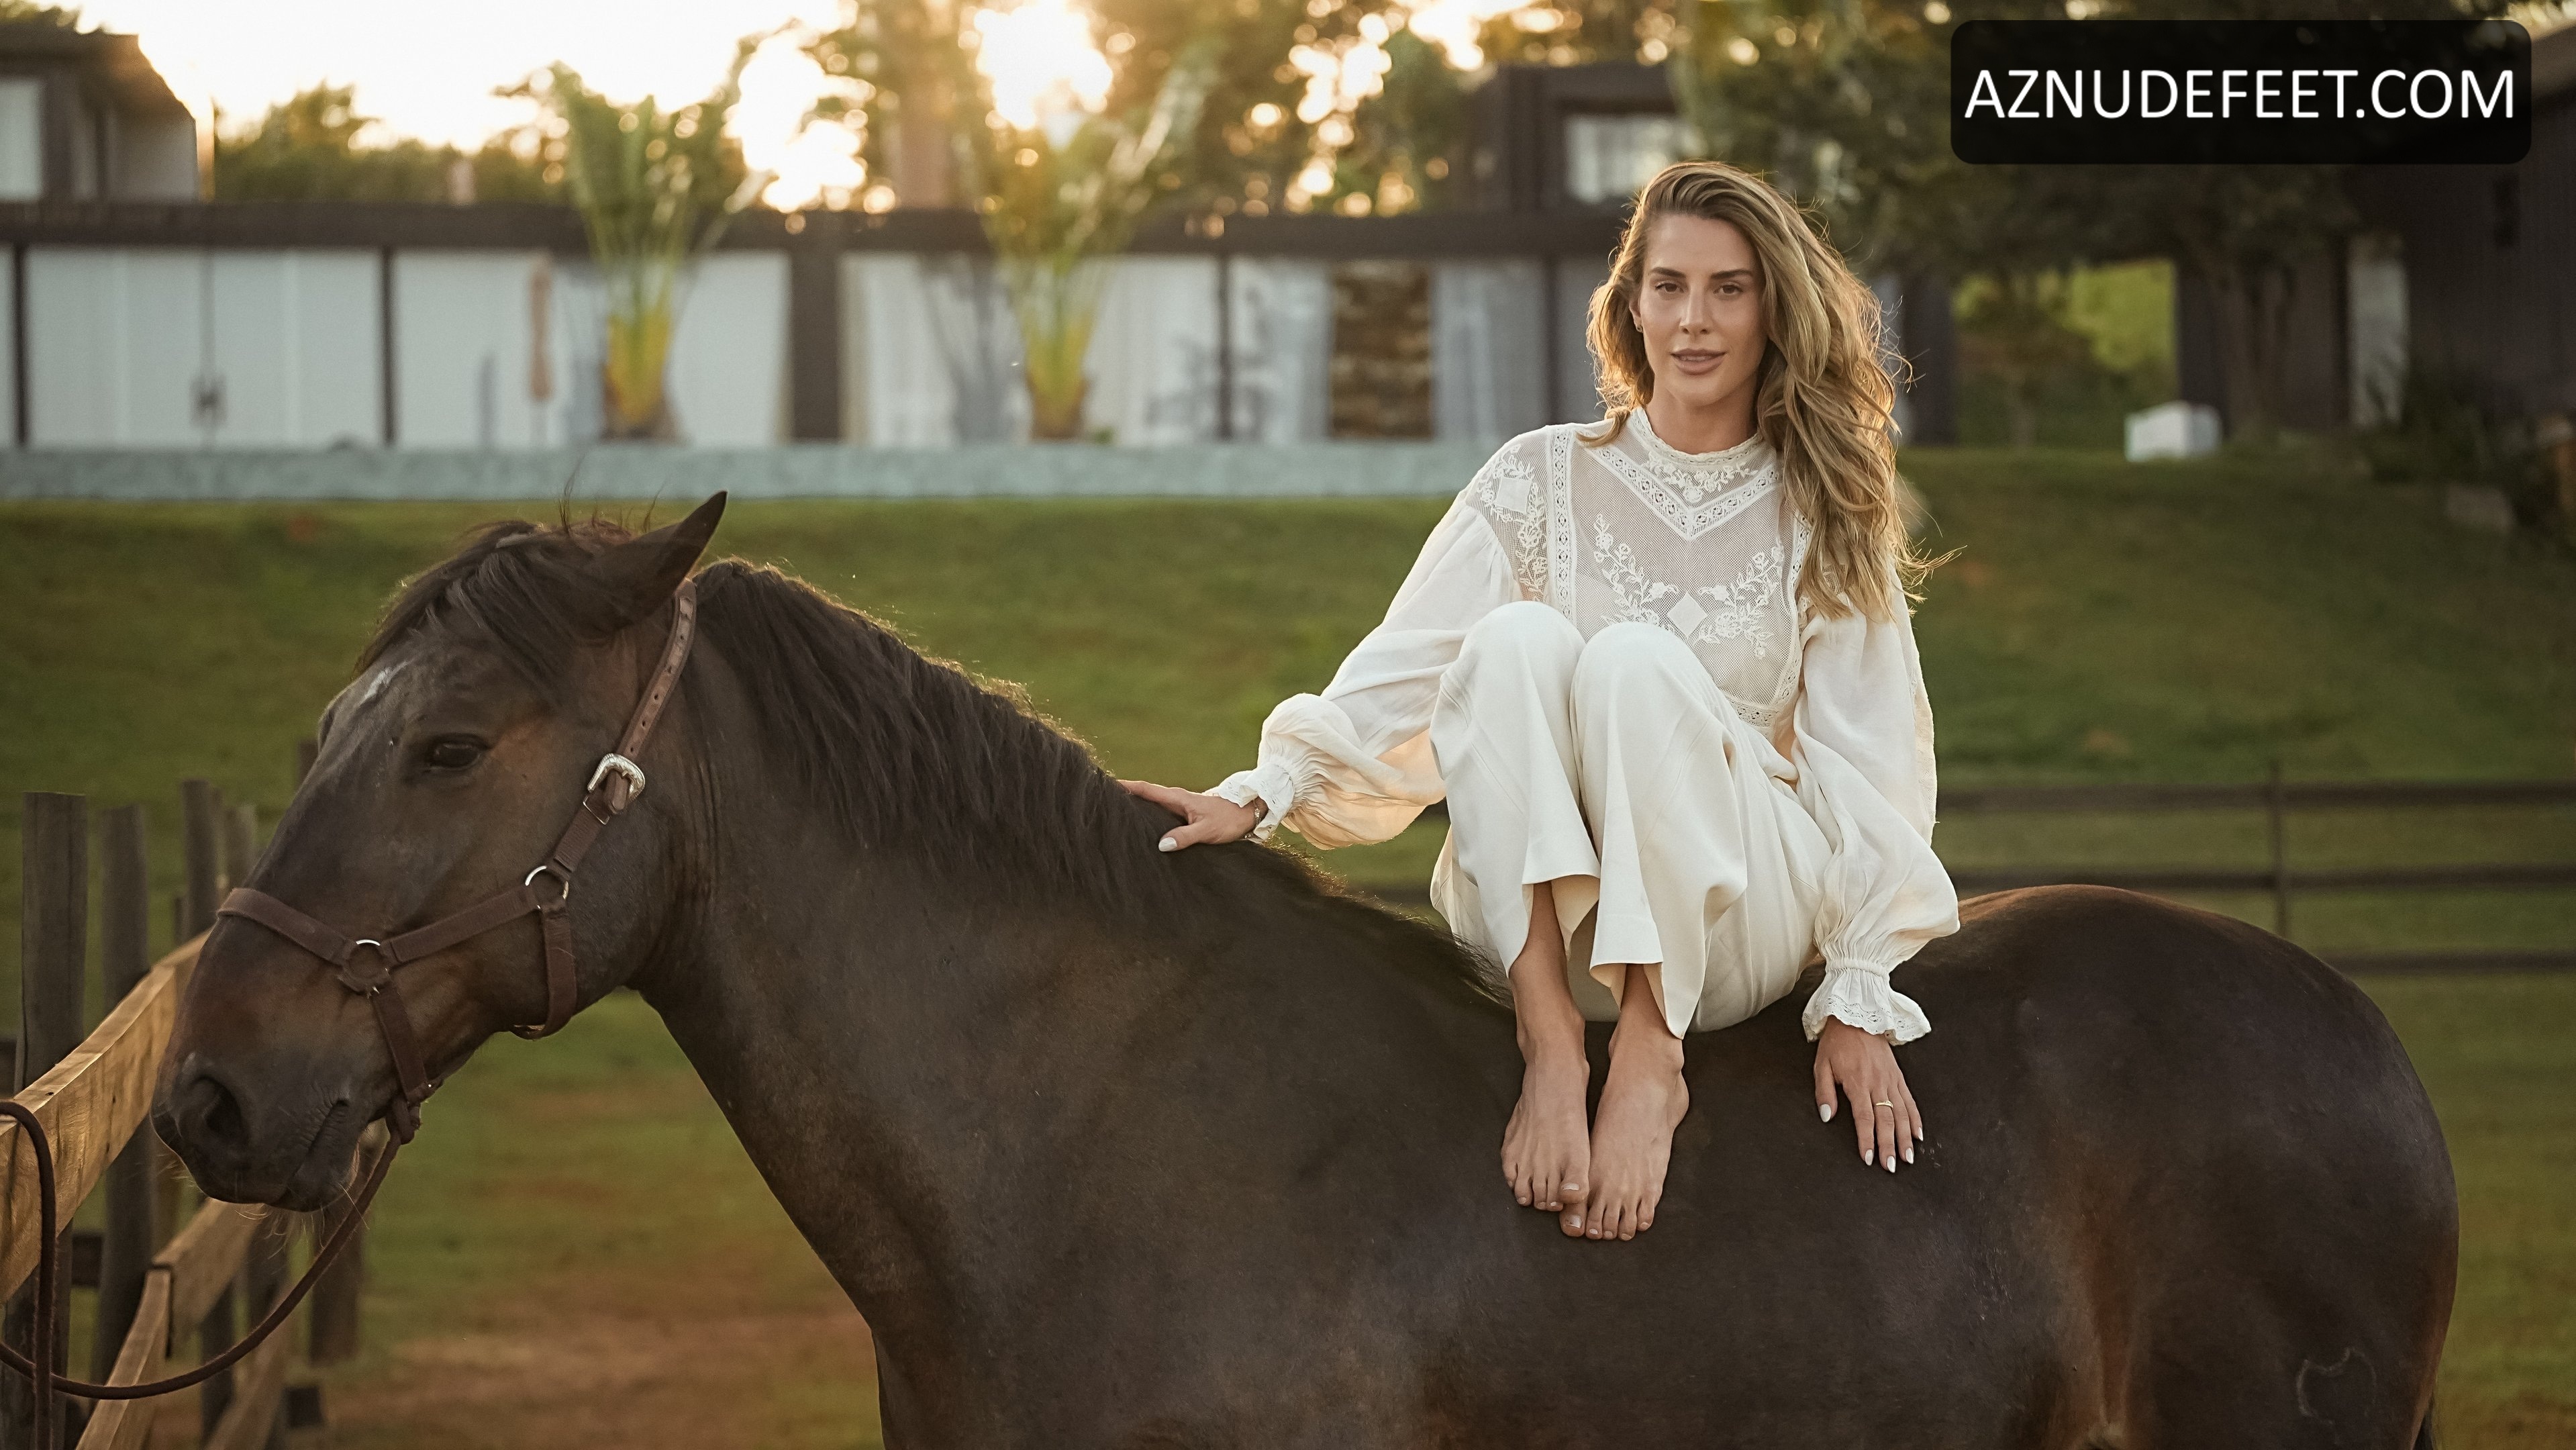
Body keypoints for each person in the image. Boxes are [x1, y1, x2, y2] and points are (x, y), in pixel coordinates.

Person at [1121, 159, 1960, 1244]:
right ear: (1630, 303)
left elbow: (1869, 752)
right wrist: (1260, 793)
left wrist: (1856, 990)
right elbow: (1408, 664)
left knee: (1632, 664)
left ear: (1773, 310)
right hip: (1551, 915)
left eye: (1728, 289)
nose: (1692, 321)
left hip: (1734, 914)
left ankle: (1649, 1053)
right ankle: (1550, 1041)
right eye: (1667, 286)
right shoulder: (1536, 475)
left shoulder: (1823, 503)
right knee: (1510, 639)